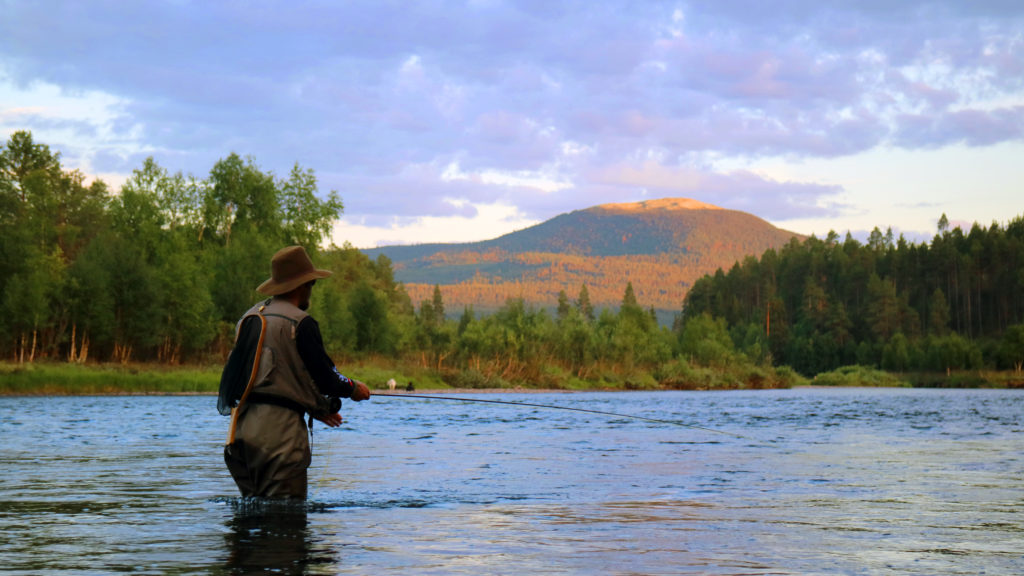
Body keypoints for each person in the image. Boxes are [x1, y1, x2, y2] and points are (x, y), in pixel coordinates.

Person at [218, 245, 371, 499]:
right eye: (312, 284)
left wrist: (317, 408)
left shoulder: (249, 318)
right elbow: (326, 379)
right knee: (286, 524)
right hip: (280, 439)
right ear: (302, 285)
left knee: (252, 519)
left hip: (240, 435)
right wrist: (354, 388)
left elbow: (270, 378)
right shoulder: (301, 323)